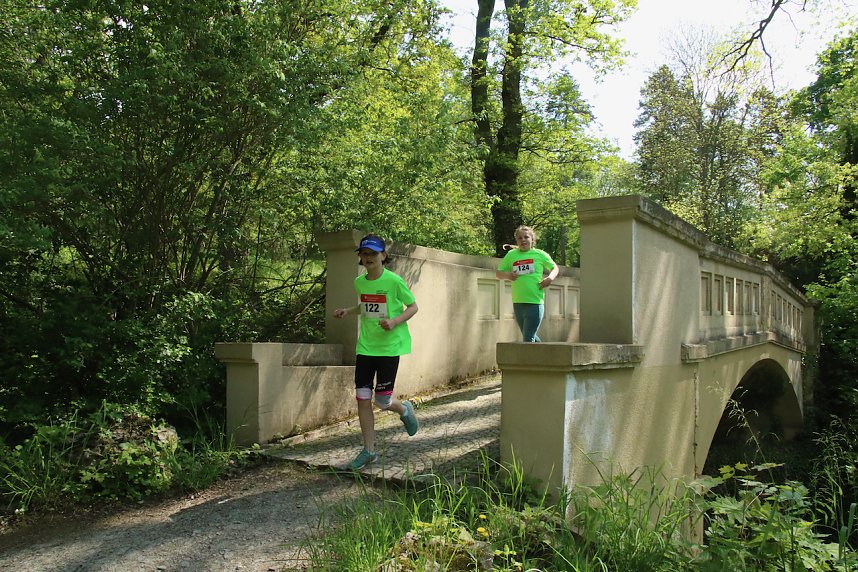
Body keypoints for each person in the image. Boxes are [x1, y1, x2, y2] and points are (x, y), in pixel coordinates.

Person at [333, 234, 420, 470]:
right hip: (365, 348)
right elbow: (366, 306)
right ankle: (369, 450)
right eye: (364, 253)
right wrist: (347, 311)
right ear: (360, 257)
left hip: (389, 348)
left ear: (384, 255)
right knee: (362, 398)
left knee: (382, 401)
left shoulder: (394, 281)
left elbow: (413, 307)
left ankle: (404, 409)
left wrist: (394, 321)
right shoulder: (360, 282)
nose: (368, 257)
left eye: (373, 253)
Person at [495, 225, 559, 342]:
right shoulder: (511, 255)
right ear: (516, 241)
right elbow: (499, 274)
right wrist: (508, 275)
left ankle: (535, 355)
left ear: (532, 239)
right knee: (530, 336)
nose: (523, 240)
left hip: (535, 302)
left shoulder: (540, 254)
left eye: (526, 237)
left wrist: (550, 278)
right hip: (518, 302)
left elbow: (555, 268)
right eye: (519, 238)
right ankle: (546, 353)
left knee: (528, 338)